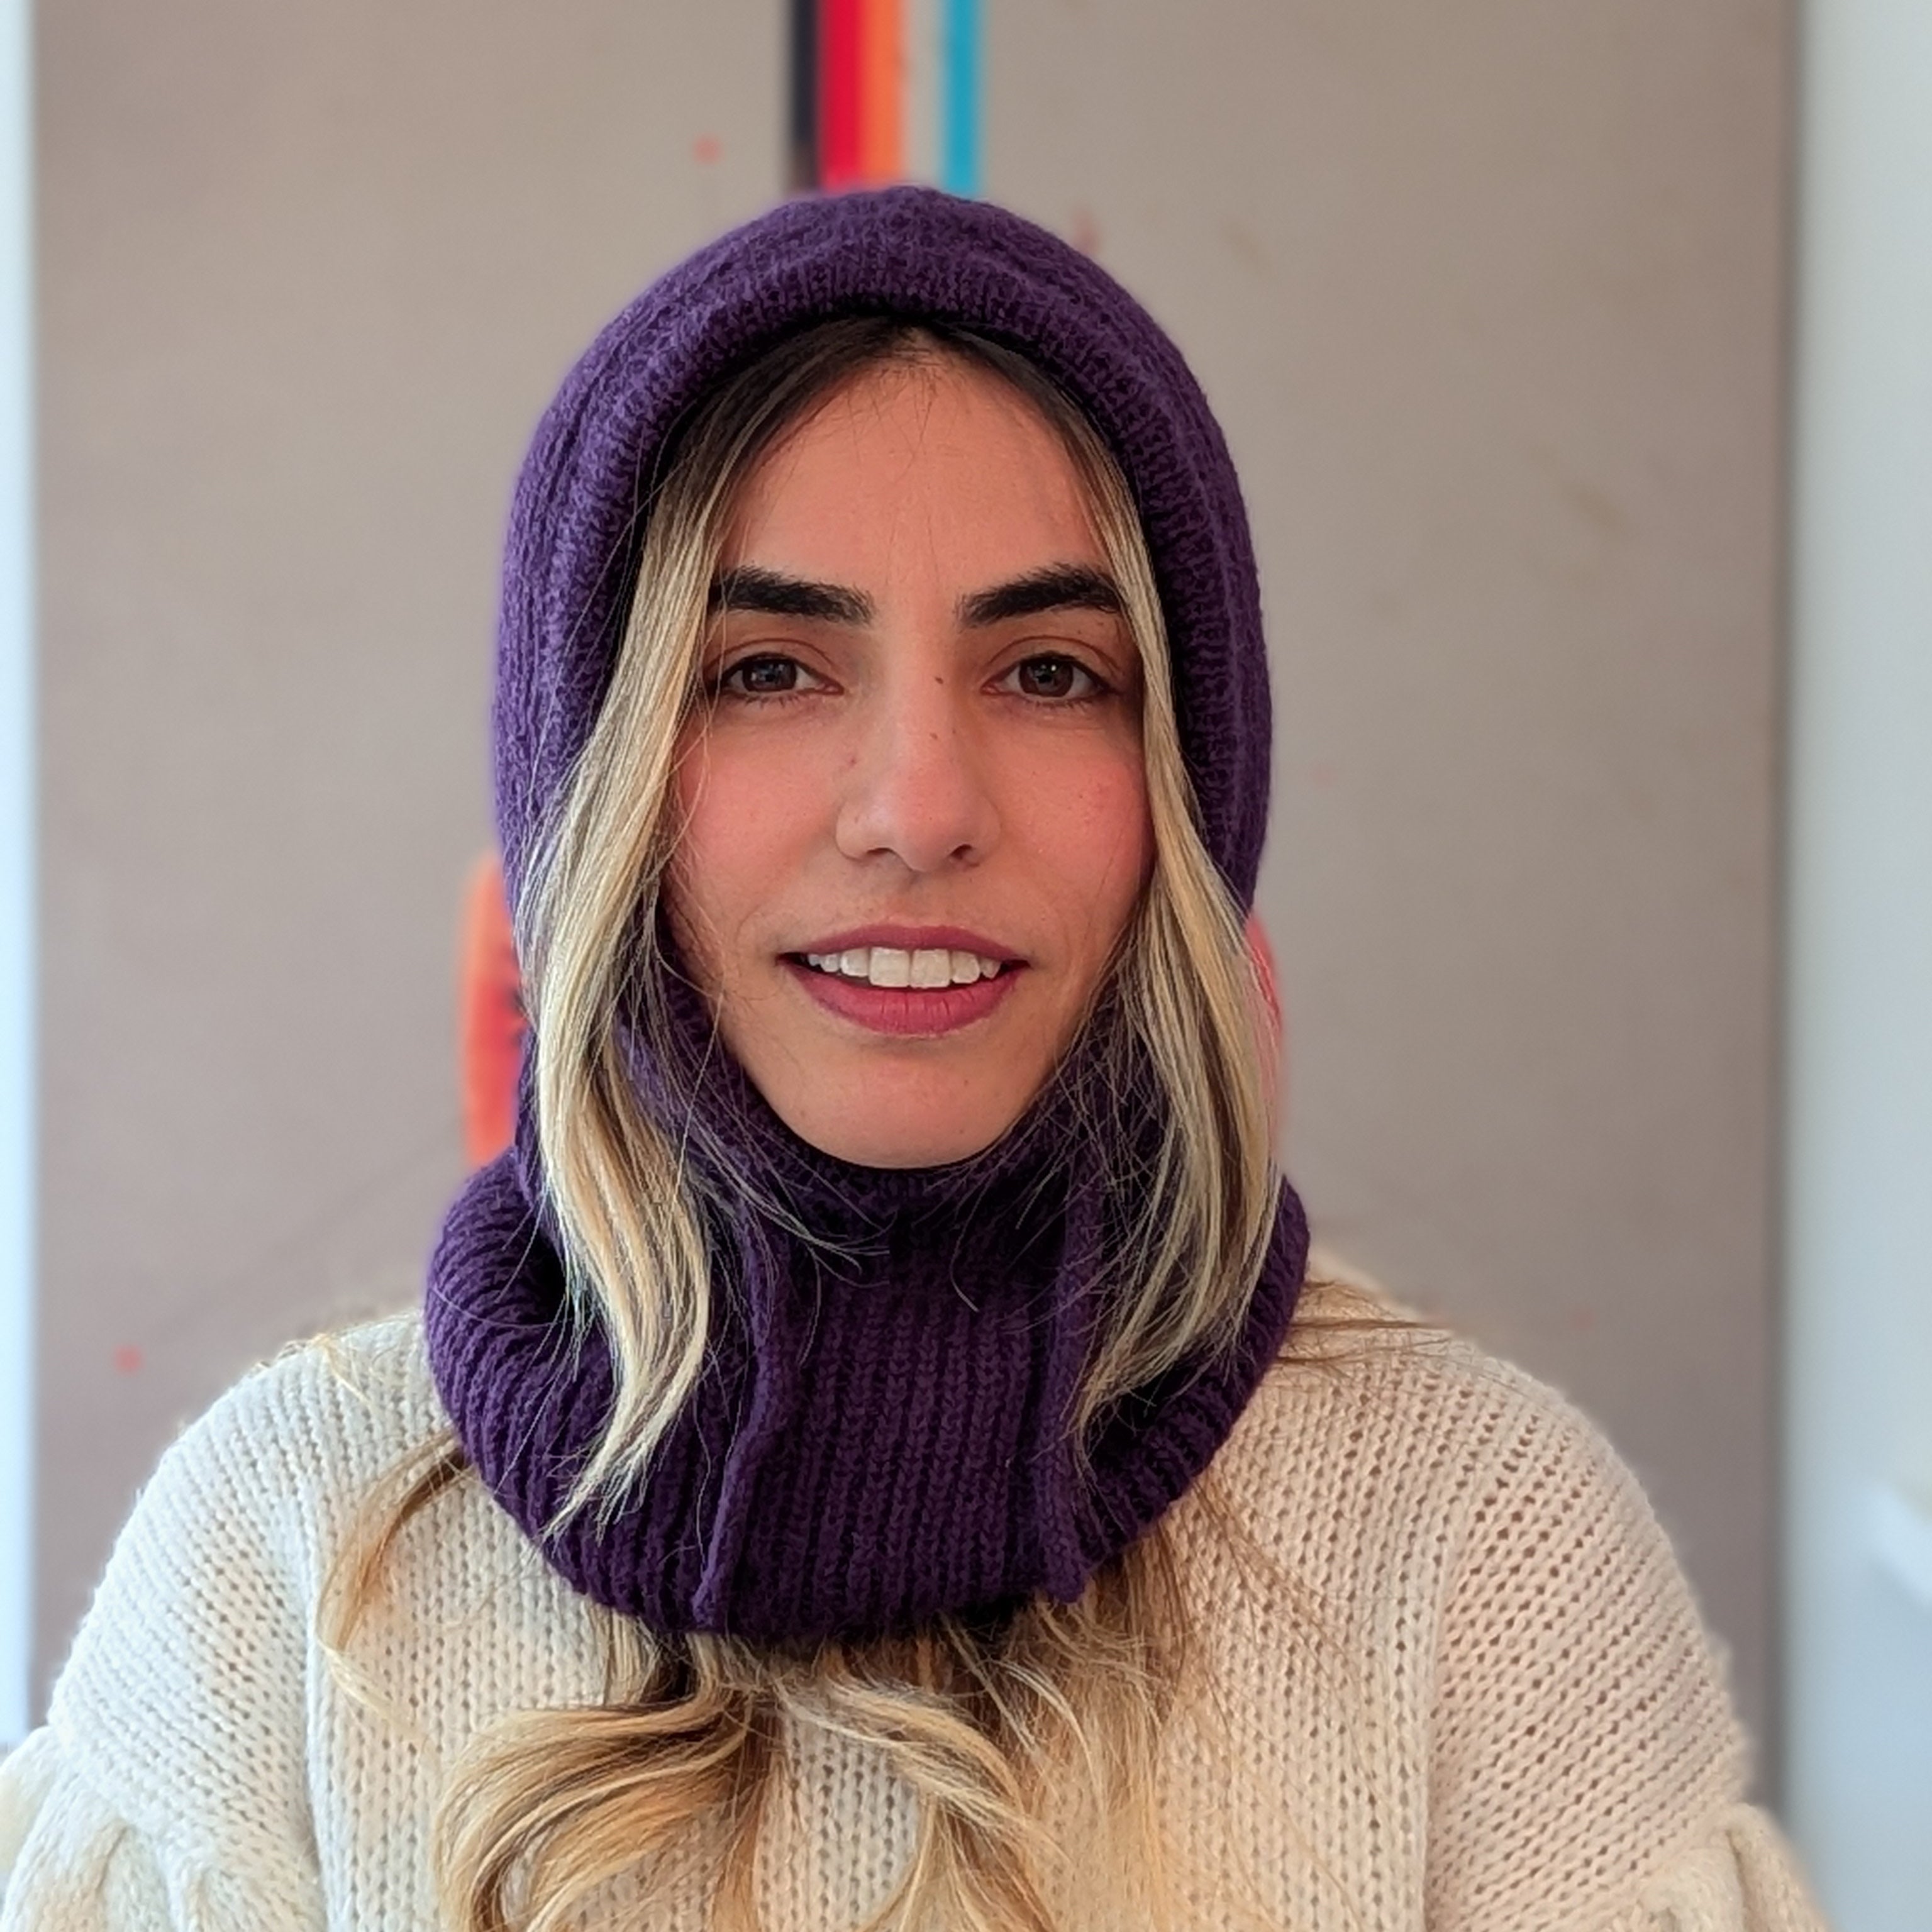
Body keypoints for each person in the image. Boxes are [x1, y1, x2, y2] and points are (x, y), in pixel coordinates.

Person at [0, 188, 1824, 1931]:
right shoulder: (281, 1563)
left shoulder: (1482, 1552)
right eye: (768, 670)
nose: (921, 810)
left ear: (1188, 790)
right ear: (590, 779)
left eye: (1048, 672)